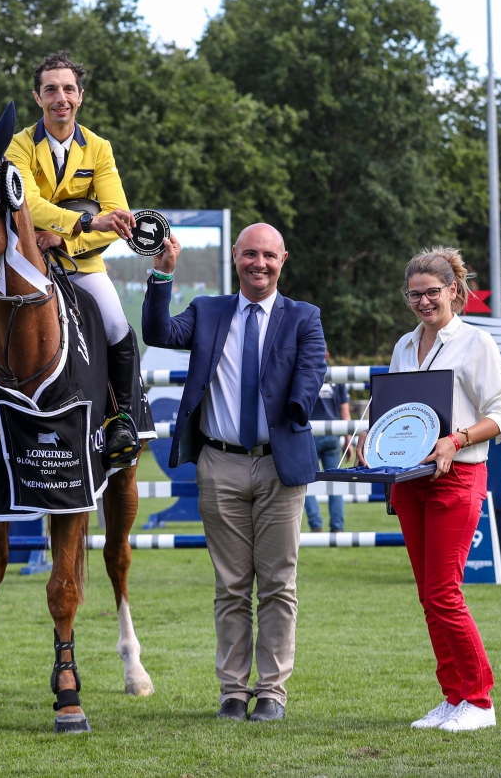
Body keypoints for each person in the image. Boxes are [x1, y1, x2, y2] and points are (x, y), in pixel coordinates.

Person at [142, 223, 326, 723]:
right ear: (235, 256)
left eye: (268, 255)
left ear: (283, 260)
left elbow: (311, 373)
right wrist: (163, 275)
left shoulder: (304, 317)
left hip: (279, 465)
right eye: (249, 254)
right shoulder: (208, 311)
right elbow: (158, 333)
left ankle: (272, 692)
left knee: (279, 585)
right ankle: (232, 692)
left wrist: (295, 405)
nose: (258, 263)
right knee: (231, 586)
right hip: (218, 463)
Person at [364, 245, 501, 733]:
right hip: (410, 481)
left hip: (458, 476)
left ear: (454, 291)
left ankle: (480, 701)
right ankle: (454, 696)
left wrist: (456, 439)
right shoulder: (404, 346)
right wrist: (369, 439)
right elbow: (397, 414)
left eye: (432, 292)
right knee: (429, 596)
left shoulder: (477, 342)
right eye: (414, 294)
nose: (423, 301)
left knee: (444, 592)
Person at [7, 50, 141, 462]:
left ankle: (120, 419)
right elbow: (26, 203)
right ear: (37, 97)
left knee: (117, 325)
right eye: (51, 90)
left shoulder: (99, 148)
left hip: (81, 263)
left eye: (68, 89)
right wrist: (84, 221)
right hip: (19, 260)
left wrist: (65, 240)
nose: (60, 97)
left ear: (80, 96)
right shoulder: (18, 145)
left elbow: (118, 217)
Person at [303, 354, 350, 532]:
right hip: (333, 434)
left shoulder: (304, 373)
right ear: (328, 355)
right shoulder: (338, 377)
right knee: (335, 483)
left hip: (310, 434)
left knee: (306, 482)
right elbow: (344, 412)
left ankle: (315, 524)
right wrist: (348, 438)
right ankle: (337, 527)